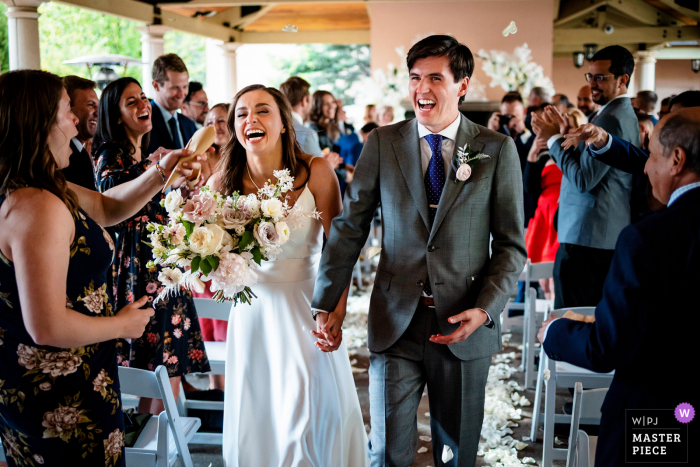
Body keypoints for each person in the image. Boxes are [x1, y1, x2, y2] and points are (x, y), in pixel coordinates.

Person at [312, 35, 526, 467]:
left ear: (462, 85)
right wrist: (327, 301)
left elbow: (510, 246)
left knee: (455, 454)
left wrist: (485, 309)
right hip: (395, 322)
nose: (421, 89)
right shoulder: (382, 143)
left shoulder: (495, 150)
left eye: (435, 78)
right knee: (388, 451)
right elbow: (350, 228)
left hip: (463, 323)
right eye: (414, 77)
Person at [0, 69, 198, 466]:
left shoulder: (43, 186)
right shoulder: (37, 207)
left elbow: (109, 208)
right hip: (59, 396)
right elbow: (48, 325)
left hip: (73, 379)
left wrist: (162, 172)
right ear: (37, 122)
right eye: (64, 110)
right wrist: (122, 325)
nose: (75, 119)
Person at [205, 85, 368, 466]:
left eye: (262, 111)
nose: (251, 120)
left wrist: (336, 312)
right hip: (253, 316)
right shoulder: (221, 183)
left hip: (308, 309)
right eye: (242, 114)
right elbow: (207, 262)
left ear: (282, 124)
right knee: (261, 419)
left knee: (311, 417)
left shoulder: (316, 171)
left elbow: (339, 250)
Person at [538, 108, 700, 467]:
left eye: (652, 154)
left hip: (660, 413)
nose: (645, 167)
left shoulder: (649, 239)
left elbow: (608, 348)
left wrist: (555, 332)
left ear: (676, 160)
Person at [93, 77, 211, 416]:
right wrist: (158, 166)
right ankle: (148, 433)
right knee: (158, 361)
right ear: (115, 116)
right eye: (131, 101)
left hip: (164, 263)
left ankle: (153, 435)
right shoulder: (109, 152)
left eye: (143, 97)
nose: (143, 104)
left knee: (168, 359)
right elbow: (109, 192)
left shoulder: (144, 153)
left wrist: (183, 188)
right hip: (139, 264)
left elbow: (158, 199)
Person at [532, 45, 639, 309]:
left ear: (622, 80)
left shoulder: (611, 119)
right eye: (590, 76)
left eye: (600, 77)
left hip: (588, 239)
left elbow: (583, 180)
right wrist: (566, 133)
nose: (593, 84)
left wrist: (553, 139)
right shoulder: (614, 114)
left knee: (571, 318)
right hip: (596, 236)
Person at [145, 54, 197, 156]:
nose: (182, 94)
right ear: (156, 86)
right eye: (175, 88)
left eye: (185, 86)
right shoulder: (143, 122)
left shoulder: (190, 125)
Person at [308, 90, 354, 187]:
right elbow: (322, 162)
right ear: (317, 106)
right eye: (326, 103)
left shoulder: (329, 127)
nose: (332, 106)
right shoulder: (314, 130)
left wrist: (344, 166)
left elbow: (331, 157)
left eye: (333, 102)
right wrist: (345, 175)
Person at [61, 75, 99, 191]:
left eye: (99, 105)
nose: (98, 112)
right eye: (91, 105)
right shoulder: (62, 155)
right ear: (68, 108)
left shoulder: (84, 152)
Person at [279, 76, 324, 157]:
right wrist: (329, 164)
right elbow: (316, 169)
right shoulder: (307, 134)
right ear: (304, 101)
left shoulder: (275, 127)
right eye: (310, 101)